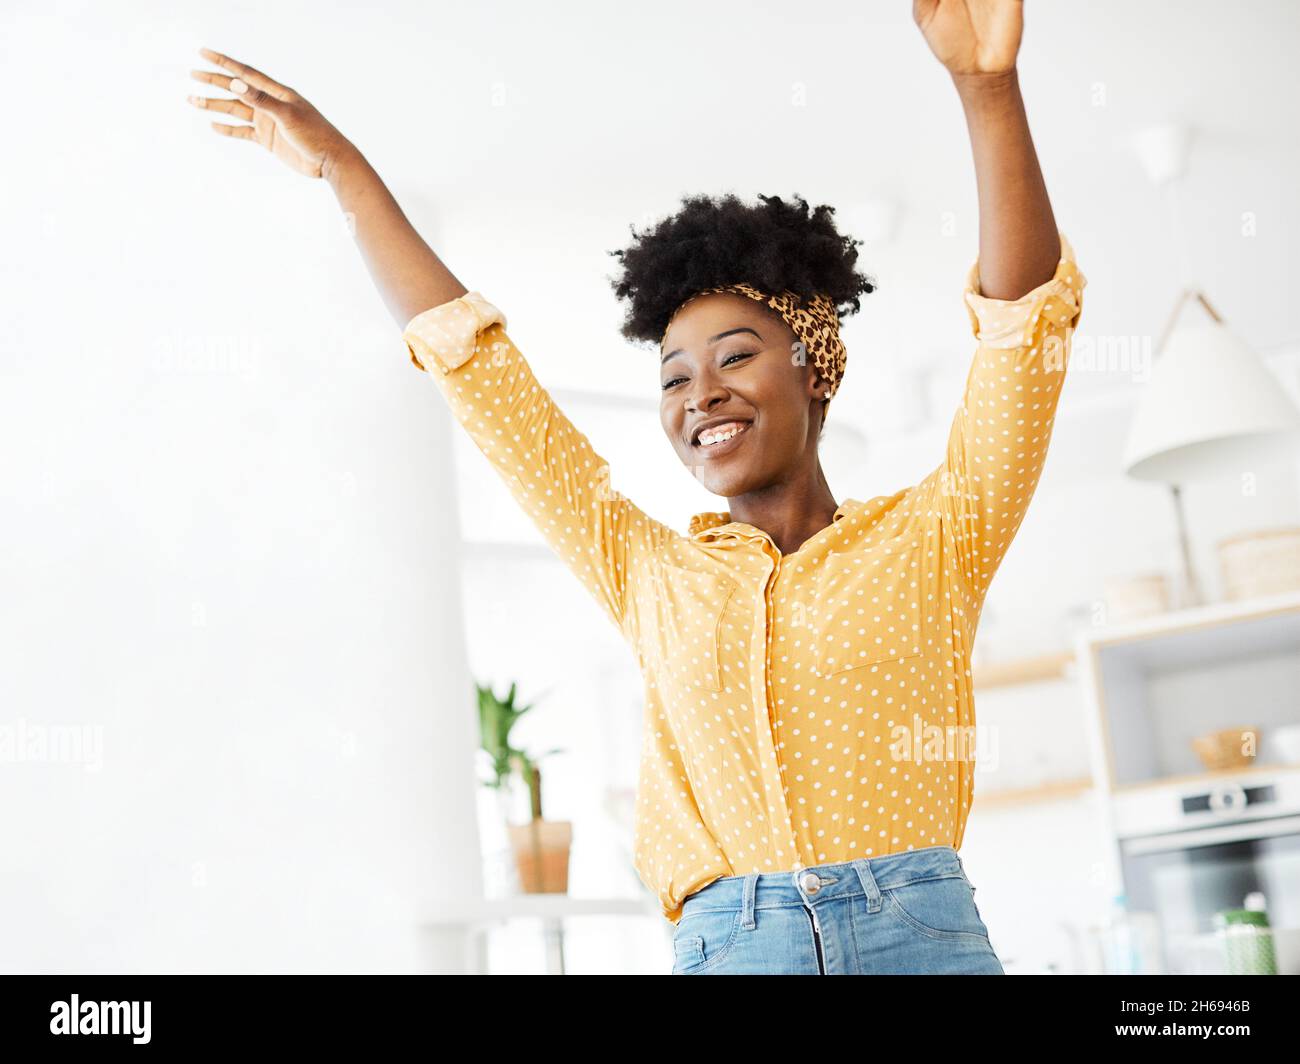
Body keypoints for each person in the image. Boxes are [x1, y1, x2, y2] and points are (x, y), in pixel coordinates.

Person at [187, 0, 1085, 974]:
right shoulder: (648, 571)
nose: (701, 394)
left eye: (735, 356)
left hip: (920, 936)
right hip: (733, 943)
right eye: (672, 376)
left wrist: (985, 88)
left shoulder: (935, 538)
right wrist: (348, 176)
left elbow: (1020, 338)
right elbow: (483, 377)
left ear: (815, 366)